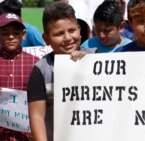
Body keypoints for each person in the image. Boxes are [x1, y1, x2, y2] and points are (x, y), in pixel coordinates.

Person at [27, 2, 90, 141]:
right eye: (59, 34)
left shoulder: (97, 59)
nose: (67, 38)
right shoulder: (41, 70)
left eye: (72, 30)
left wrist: (89, 63)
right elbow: (37, 116)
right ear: (46, 39)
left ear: (79, 30)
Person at [0, 12, 39, 141]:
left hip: (26, 136)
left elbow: (42, 100)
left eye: (16, 33)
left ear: (24, 35)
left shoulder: (36, 63)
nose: (10, 37)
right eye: (5, 33)